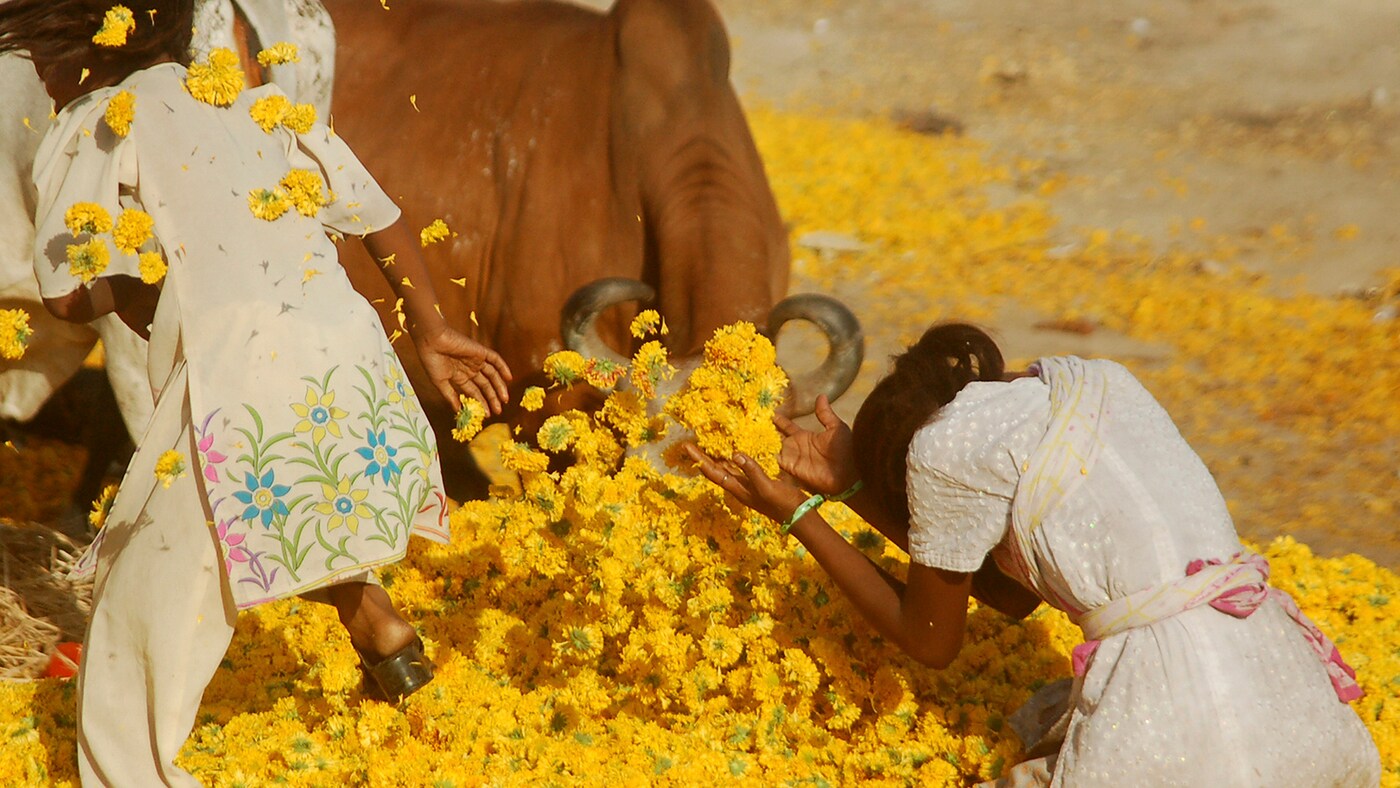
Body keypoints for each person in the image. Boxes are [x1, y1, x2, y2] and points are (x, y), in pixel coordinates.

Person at [0, 1, 513, 784]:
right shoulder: (246, 99)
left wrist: (153, 294)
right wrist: (433, 332)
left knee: (137, 614)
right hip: (346, 352)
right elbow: (378, 215)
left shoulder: (100, 117)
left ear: (88, 47)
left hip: (233, 378)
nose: (39, 72)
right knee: (260, 518)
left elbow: (67, 295)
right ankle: (382, 635)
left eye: (44, 52)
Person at [685, 322, 1380, 786]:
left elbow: (928, 640)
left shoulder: (942, 449)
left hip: (1189, 732)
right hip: (1295, 703)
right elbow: (1015, 593)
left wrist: (795, 512)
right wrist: (855, 488)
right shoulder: (1092, 384)